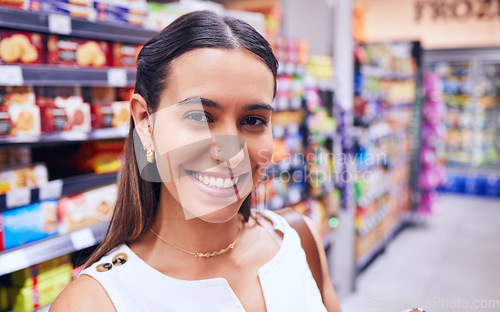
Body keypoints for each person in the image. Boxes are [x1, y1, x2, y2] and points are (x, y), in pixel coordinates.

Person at [51, 10, 342, 312]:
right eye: (200, 117)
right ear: (144, 122)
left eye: (253, 120)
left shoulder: (299, 240)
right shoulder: (92, 303)